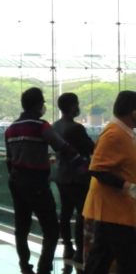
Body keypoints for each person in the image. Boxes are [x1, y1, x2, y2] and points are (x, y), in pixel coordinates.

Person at [4, 87, 80, 274]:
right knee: (51, 229)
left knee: (21, 227)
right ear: (38, 105)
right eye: (43, 102)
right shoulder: (40, 126)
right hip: (36, 182)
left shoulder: (11, 128)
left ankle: (26, 271)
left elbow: (9, 161)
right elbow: (62, 146)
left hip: (16, 182)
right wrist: (81, 161)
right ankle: (44, 273)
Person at [71, 91, 136, 274]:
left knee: (101, 258)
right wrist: (127, 186)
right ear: (133, 112)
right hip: (114, 210)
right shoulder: (114, 133)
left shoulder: (124, 132)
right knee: (128, 261)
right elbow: (97, 168)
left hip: (118, 210)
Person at [52, 92, 96, 263]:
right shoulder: (76, 128)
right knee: (81, 213)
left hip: (61, 174)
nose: (78, 107)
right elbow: (91, 147)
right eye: (77, 104)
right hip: (78, 176)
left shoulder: (55, 126)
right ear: (72, 107)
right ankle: (79, 250)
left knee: (65, 211)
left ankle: (67, 248)